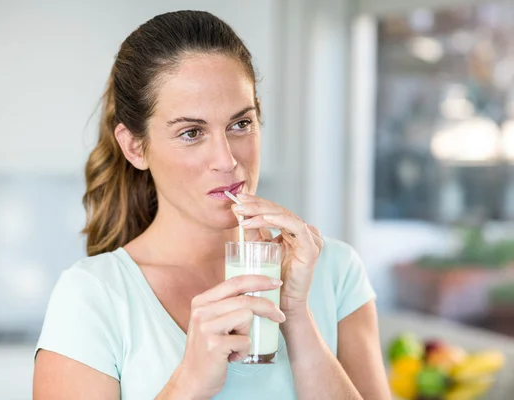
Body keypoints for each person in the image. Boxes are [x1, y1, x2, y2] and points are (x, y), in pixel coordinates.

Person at [33, 10, 391, 400]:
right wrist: (188, 383)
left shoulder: (335, 271)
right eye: (191, 132)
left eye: (240, 124)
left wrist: (296, 316)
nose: (226, 158)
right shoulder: (93, 295)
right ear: (135, 147)